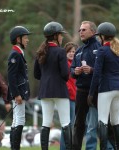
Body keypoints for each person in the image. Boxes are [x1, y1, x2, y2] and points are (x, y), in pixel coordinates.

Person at [34, 21, 72, 150]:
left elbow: (36, 74)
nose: (62, 37)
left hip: (45, 91)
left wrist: (46, 79)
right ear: (55, 35)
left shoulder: (40, 51)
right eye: (60, 35)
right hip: (60, 90)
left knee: (45, 123)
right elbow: (66, 74)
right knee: (65, 122)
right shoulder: (60, 51)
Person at [87, 22, 119, 150]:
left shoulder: (102, 50)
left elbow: (96, 73)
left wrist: (91, 93)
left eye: (99, 36)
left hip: (106, 88)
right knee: (116, 121)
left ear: (103, 36)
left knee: (102, 120)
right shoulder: (118, 51)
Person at [70, 21, 101, 150]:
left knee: (96, 124)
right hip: (81, 91)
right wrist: (75, 72)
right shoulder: (79, 50)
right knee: (78, 123)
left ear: (93, 32)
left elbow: (105, 70)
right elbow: (71, 70)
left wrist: (92, 70)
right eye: (80, 30)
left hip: (97, 91)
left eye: (84, 30)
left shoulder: (100, 48)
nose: (80, 32)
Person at [7, 26, 31, 150]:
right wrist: (16, 94)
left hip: (19, 92)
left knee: (16, 119)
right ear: (18, 39)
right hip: (18, 93)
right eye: (25, 37)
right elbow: (11, 77)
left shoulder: (18, 53)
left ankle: (14, 148)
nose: (27, 40)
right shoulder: (15, 54)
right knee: (20, 119)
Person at [60, 42, 78, 150]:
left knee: (72, 124)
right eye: (70, 51)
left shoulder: (76, 64)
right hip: (67, 97)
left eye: (74, 52)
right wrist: (69, 90)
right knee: (67, 124)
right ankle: (64, 147)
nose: (72, 54)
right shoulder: (64, 64)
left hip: (76, 97)